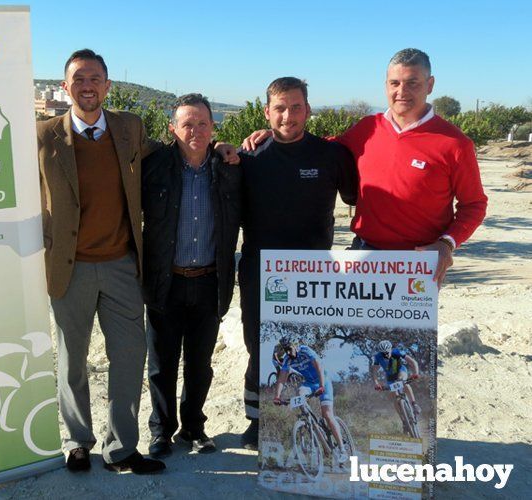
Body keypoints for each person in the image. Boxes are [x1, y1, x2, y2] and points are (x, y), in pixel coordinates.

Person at [243, 49, 488, 286]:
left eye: (412, 82)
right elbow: (321, 148)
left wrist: (446, 244)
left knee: (401, 331)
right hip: (364, 254)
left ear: (430, 84)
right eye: (394, 83)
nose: (401, 91)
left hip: (418, 261)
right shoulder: (367, 128)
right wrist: (275, 136)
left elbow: (474, 204)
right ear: (386, 86)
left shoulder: (455, 143)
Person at [36, 49, 165, 474]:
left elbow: (167, 155)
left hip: (121, 265)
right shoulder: (43, 136)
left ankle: (122, 448)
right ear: (65, 86)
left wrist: (221, 146)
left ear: (107, 86)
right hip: (67, 268)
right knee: (72, 360)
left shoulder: (130, 128)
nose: (87, 86)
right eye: (78, 79)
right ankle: (77, 441)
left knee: (128, 357)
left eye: (95, 78)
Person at [236, 77, 357, 449]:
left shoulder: (332, 155)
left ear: (308, 108)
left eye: (296, 106)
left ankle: (315, 418)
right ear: (266, 111)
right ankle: (258, 422)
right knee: (260, 348)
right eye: (280, 107)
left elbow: (361, 199)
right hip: (260, 271)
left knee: (307, 348)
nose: (288, 115)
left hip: (312, 274)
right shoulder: (248, 157)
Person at [141, 94, 241, 458]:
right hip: (165, 281)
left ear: (213, 127)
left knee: (200, 364)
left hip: (209, 281)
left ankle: (193, 428)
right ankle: (161, 432)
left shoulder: (230, 167)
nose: (195, 130)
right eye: (187, 124)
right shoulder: (154, 166)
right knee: (162, 364)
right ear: (173, 129)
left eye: (202, 123)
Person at [271, 338, 349, 463]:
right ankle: (310, 421)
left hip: (323, 380)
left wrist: (322, 385)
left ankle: (342, 449)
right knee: (300, 394)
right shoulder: (287, 360)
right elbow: (281, 379)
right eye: (286, 351)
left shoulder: (305, 351)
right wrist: (277, 396)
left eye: (290, 349)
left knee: (328, 415)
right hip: (308, 384)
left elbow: (319, 366)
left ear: (295, 346)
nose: (289, 353)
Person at [370, 340, 421, 434]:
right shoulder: (377, 357)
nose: (386, 355)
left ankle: (414, 404)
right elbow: (374, 372)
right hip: (390, 377)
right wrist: (376, 383)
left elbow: (412, 362)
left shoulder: (396, 352)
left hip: (401, 371)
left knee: (403, 382)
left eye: (387, 352)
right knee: (394, 395)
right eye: (383, 353)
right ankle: (404, 421)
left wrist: (416, 373)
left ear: (390, 349)